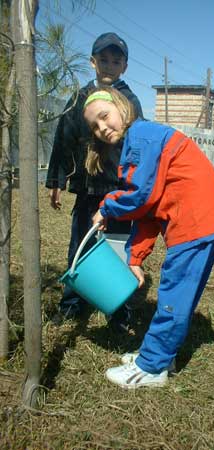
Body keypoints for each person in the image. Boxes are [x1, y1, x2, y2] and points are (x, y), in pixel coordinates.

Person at [82, 87, 214, 389]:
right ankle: (162, 354)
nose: (102, 128)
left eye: (104, 116)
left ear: (122, 107)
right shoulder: (136, 143)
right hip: (195, 216)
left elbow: (140, 197)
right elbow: (148, 211)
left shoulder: (143, 138)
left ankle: (152, 367)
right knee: (176, 289)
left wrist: (107, 207)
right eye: (95, 126)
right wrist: (136, 259)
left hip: (196, 219)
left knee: (174, 291)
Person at [46, 32, 143, 324]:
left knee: (117, 248)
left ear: (124, 66)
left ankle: (119, 309)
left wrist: (134, 187)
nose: (109, 65)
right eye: (103, 59)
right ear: (92, 62)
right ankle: (72, 303)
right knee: (79, 245)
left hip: (117, 190)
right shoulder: (79, 99)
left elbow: (138, 146)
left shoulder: (130, 100)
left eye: (116, 60)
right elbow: (64, 139)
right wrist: (56, 181)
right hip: (87, 189)